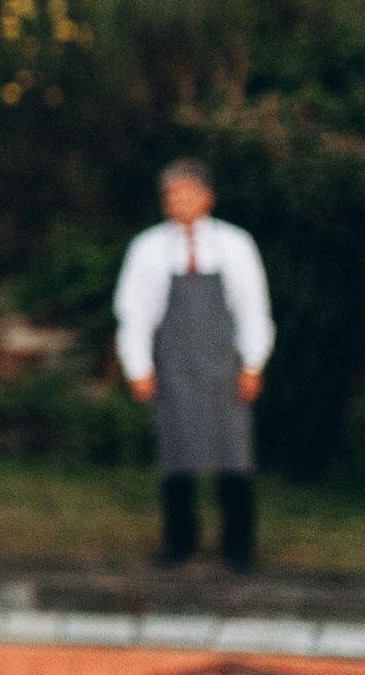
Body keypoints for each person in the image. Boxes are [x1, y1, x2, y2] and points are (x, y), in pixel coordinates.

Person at [112, 158, 274, 571]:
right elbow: (134, 314)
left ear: (207, 197)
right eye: (172, 194)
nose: (179, 202)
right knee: (177, 454)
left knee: (233, 454)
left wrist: (253, 363)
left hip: (225, 366)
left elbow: (253, 308)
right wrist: (138, 368)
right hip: (174, 367)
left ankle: (239, 544)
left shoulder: (236, 244)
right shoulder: (147, 248)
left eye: (187, 193)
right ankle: (179, 540)